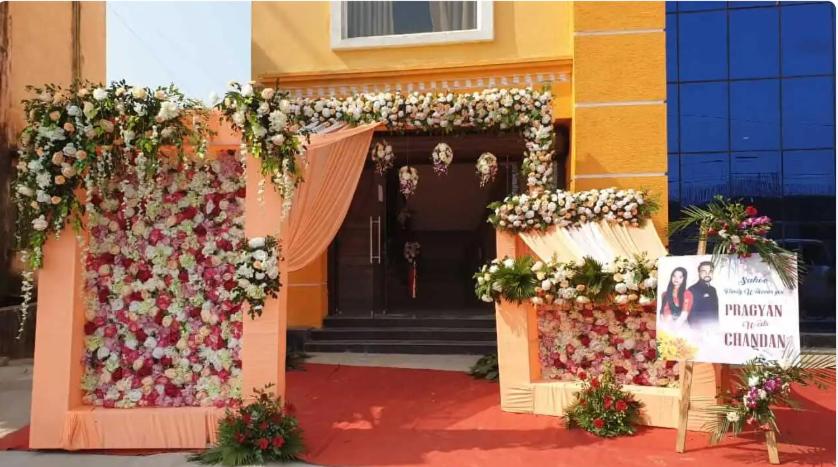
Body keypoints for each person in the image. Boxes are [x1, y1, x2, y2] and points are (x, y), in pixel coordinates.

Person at [687, 261, 719, 328]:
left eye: (710, 271)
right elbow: (691, 316)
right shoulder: (692, 290)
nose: (707, 274)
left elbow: (715, 313)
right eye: (704, 271)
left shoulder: (713, 290)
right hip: (699, 331)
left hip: (712, 330)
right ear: (699, 273)